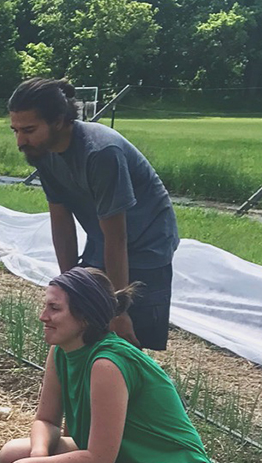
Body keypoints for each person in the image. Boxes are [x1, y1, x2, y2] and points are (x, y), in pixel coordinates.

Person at [0, 267, 218, 463]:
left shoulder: (107, 363)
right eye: (45, 306)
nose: (43, 316)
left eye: (54, 308)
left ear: (84, 317)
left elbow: (98, 460)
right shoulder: (60, 351)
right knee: (13, 454)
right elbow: (46, 420)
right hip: (124, 458)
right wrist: (38, 459)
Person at [9, 78, 179, 350]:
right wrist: (70, 285)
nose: (20, 141)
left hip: (147, 241)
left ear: (59, 121)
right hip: (103, 239)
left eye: (28, 129)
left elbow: (118, 237)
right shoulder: (43, 152)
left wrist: (119, 310)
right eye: (15, 130)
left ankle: (129, 386)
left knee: (128, 339)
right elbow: (61, 220)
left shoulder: (100, 152)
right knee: (85, 325)